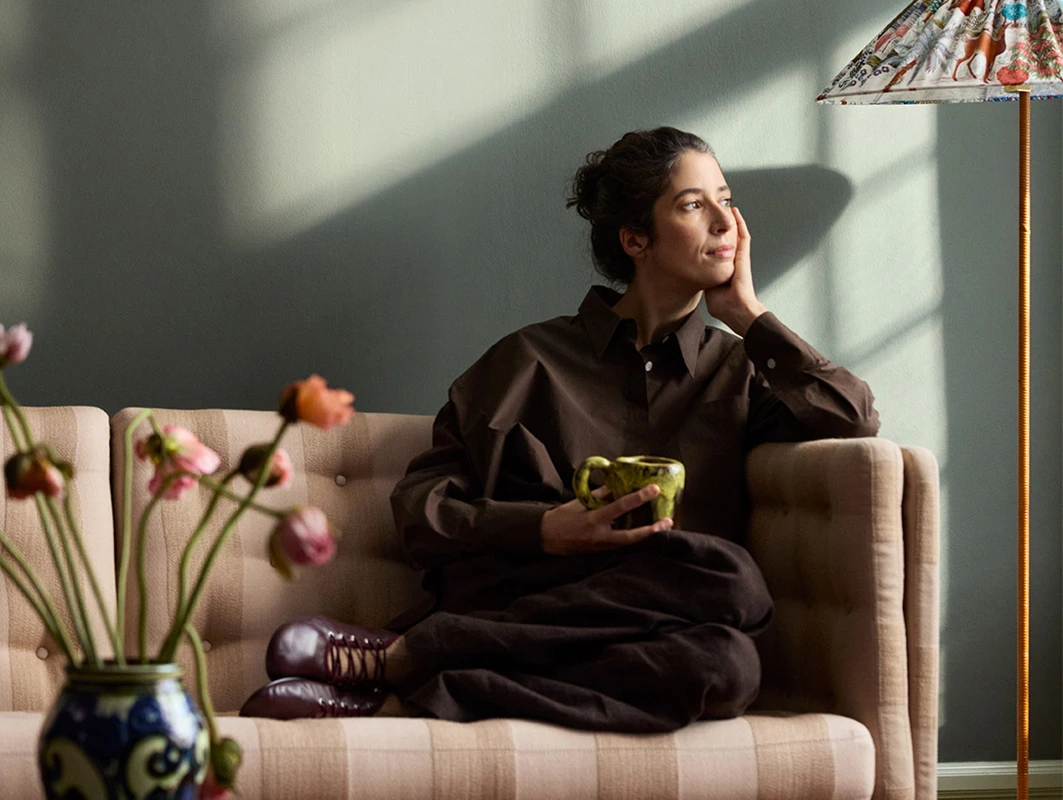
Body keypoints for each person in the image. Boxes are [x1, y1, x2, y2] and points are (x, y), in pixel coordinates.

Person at [240, 127, 880, 731]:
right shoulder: (527, 362)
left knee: (729, 662)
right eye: (693, 205)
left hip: (664, 617)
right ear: (636, 240)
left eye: (727, 201)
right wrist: (545, 530)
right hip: (529, 589)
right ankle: (433, 659)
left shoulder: (738, 371)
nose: (725, 224)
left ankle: (408, 673)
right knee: (733, 580)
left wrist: (747, 312)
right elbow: (420, 508)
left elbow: (852, 417)